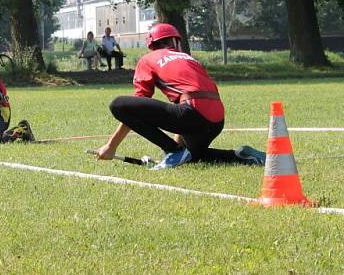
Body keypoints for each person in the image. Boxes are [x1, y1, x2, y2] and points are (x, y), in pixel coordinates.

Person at [94, 22, 264, 170]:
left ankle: (174, 151)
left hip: (192, 113)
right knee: (191, 158)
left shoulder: (148, 58)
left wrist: (111, 146)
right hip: (217, 119)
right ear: (175, 41)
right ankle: (240, 155)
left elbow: (139, 104)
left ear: (152, 44)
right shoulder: (189, 58)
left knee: (118, 105)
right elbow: (188, 99)